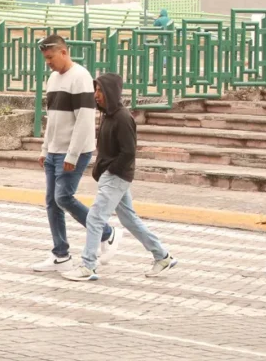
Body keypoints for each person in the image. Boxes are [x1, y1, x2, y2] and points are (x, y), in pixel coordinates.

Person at [67, 73, 177, 281]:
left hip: (117, 176)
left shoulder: (123, 118)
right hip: (112, 175)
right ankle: (162, 256)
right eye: (95, 90)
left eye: (100, 90)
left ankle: (88, 266)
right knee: (129, 220)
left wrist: (110, 170)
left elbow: (128, 152)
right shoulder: (107, 115)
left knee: (95, 217)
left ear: (111, 92)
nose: (96, 95)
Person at [32, 35, 121, 272]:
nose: (48, 63)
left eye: (50, 58)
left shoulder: (81, 77)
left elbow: (84, 120)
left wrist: (71, 155)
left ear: (64, 52)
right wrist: (44, 148)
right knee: (52, 202)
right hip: (54, 150)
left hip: (74, 151)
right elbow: (52, 119)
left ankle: (107, 232)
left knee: (63, 198)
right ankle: (60, 255)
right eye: (45, 59)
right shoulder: (52, 78)